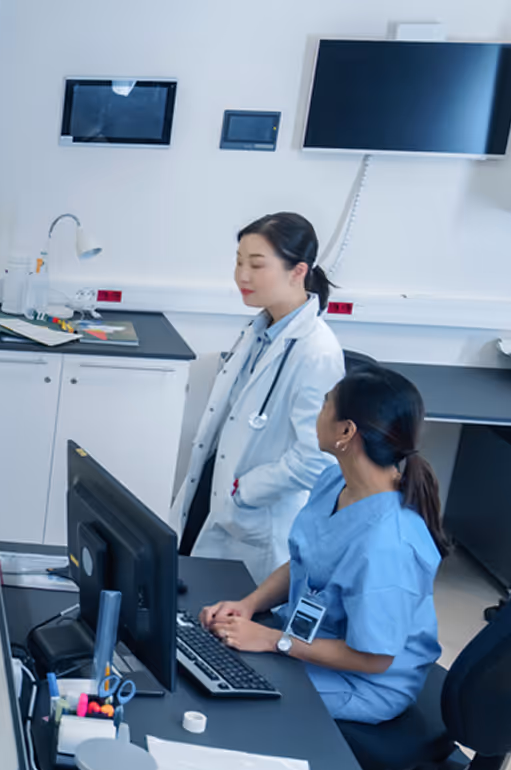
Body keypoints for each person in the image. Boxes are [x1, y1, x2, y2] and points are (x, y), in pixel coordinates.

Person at [199, 366, 448, 724]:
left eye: (324, 405)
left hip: (360, 680)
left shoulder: (388, 543)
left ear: (346, 432)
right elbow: (307, 561)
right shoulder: (335, 482)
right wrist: (247, 605)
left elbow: (374, 659)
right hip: (307, 641)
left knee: (226, 695)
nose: (317, 415)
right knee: (214, 654)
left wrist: (273, 640)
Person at [173, 212, 348, 580]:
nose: (242, 276)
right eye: (238, 262)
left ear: (298, 271)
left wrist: (246, 489)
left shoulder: (316, 352)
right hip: (214, 490)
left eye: (256, 265)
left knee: (220, 614)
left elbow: (318, 459)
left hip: (252, 509)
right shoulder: (260, 329)